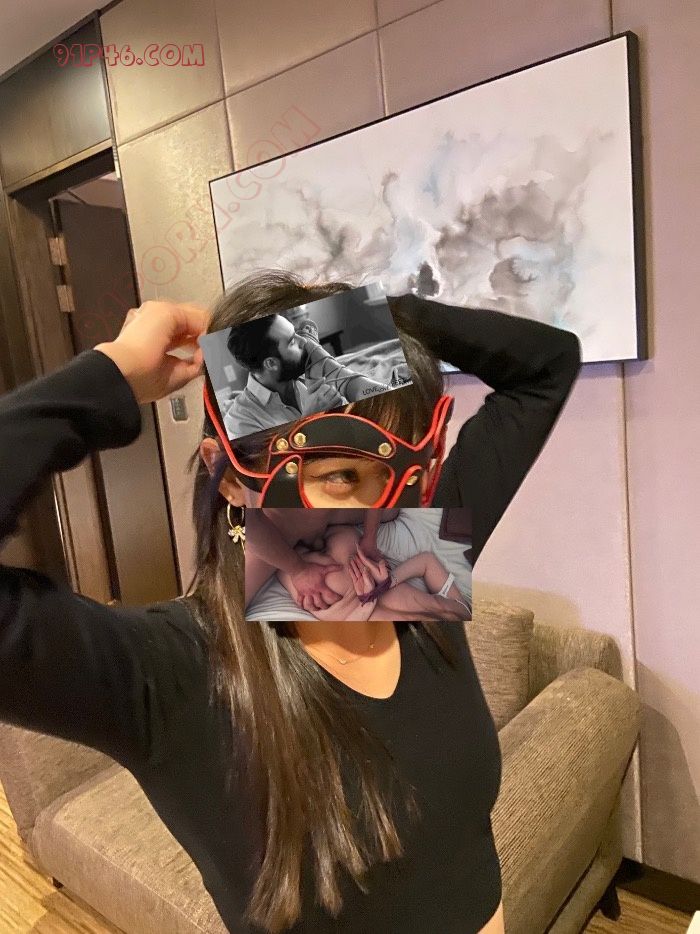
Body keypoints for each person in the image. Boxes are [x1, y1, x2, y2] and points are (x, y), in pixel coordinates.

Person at [0, 268, 581, 934]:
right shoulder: (170, 676)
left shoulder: (411, 572)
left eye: (402, 478)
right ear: (230, 479)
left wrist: (375, 318)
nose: (385, 516)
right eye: (341, 475)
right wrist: (115, 374)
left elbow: (546, 365)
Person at [247, 515, 472, 623]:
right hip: (364, 578)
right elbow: (427, 561)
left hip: (343, 604)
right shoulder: (459, 608)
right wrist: (386, 583)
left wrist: (367, 603)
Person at [224, 312, 389, 440]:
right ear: (271, 363)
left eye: (297, 333)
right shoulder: (240, 423)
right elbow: (279, 468)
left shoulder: (303, 373)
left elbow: (385, 402)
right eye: (292, 341)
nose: (304, 341)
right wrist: (309, 420)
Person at [244, 508, 399, 613]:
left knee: (391, 511)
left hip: (332, 510)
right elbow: (251, 521)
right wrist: (298, 570)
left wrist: (370, 538)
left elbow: (377, 483)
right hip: (277, 524)